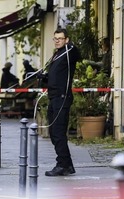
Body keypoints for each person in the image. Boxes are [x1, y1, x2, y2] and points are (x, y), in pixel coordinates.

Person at [43, 28, 81, 177]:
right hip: (53, 97)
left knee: (58, 132)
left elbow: (77, 53)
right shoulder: (57, 55)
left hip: (62, 97)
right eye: (55, 38)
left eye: (60, 38)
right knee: (53, 132)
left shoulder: (68, 52)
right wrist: (44, 77)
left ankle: (62, 165)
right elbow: (56, 75)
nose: (57, 40)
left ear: (66, 39)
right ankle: (67, 164)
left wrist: (69, 45)